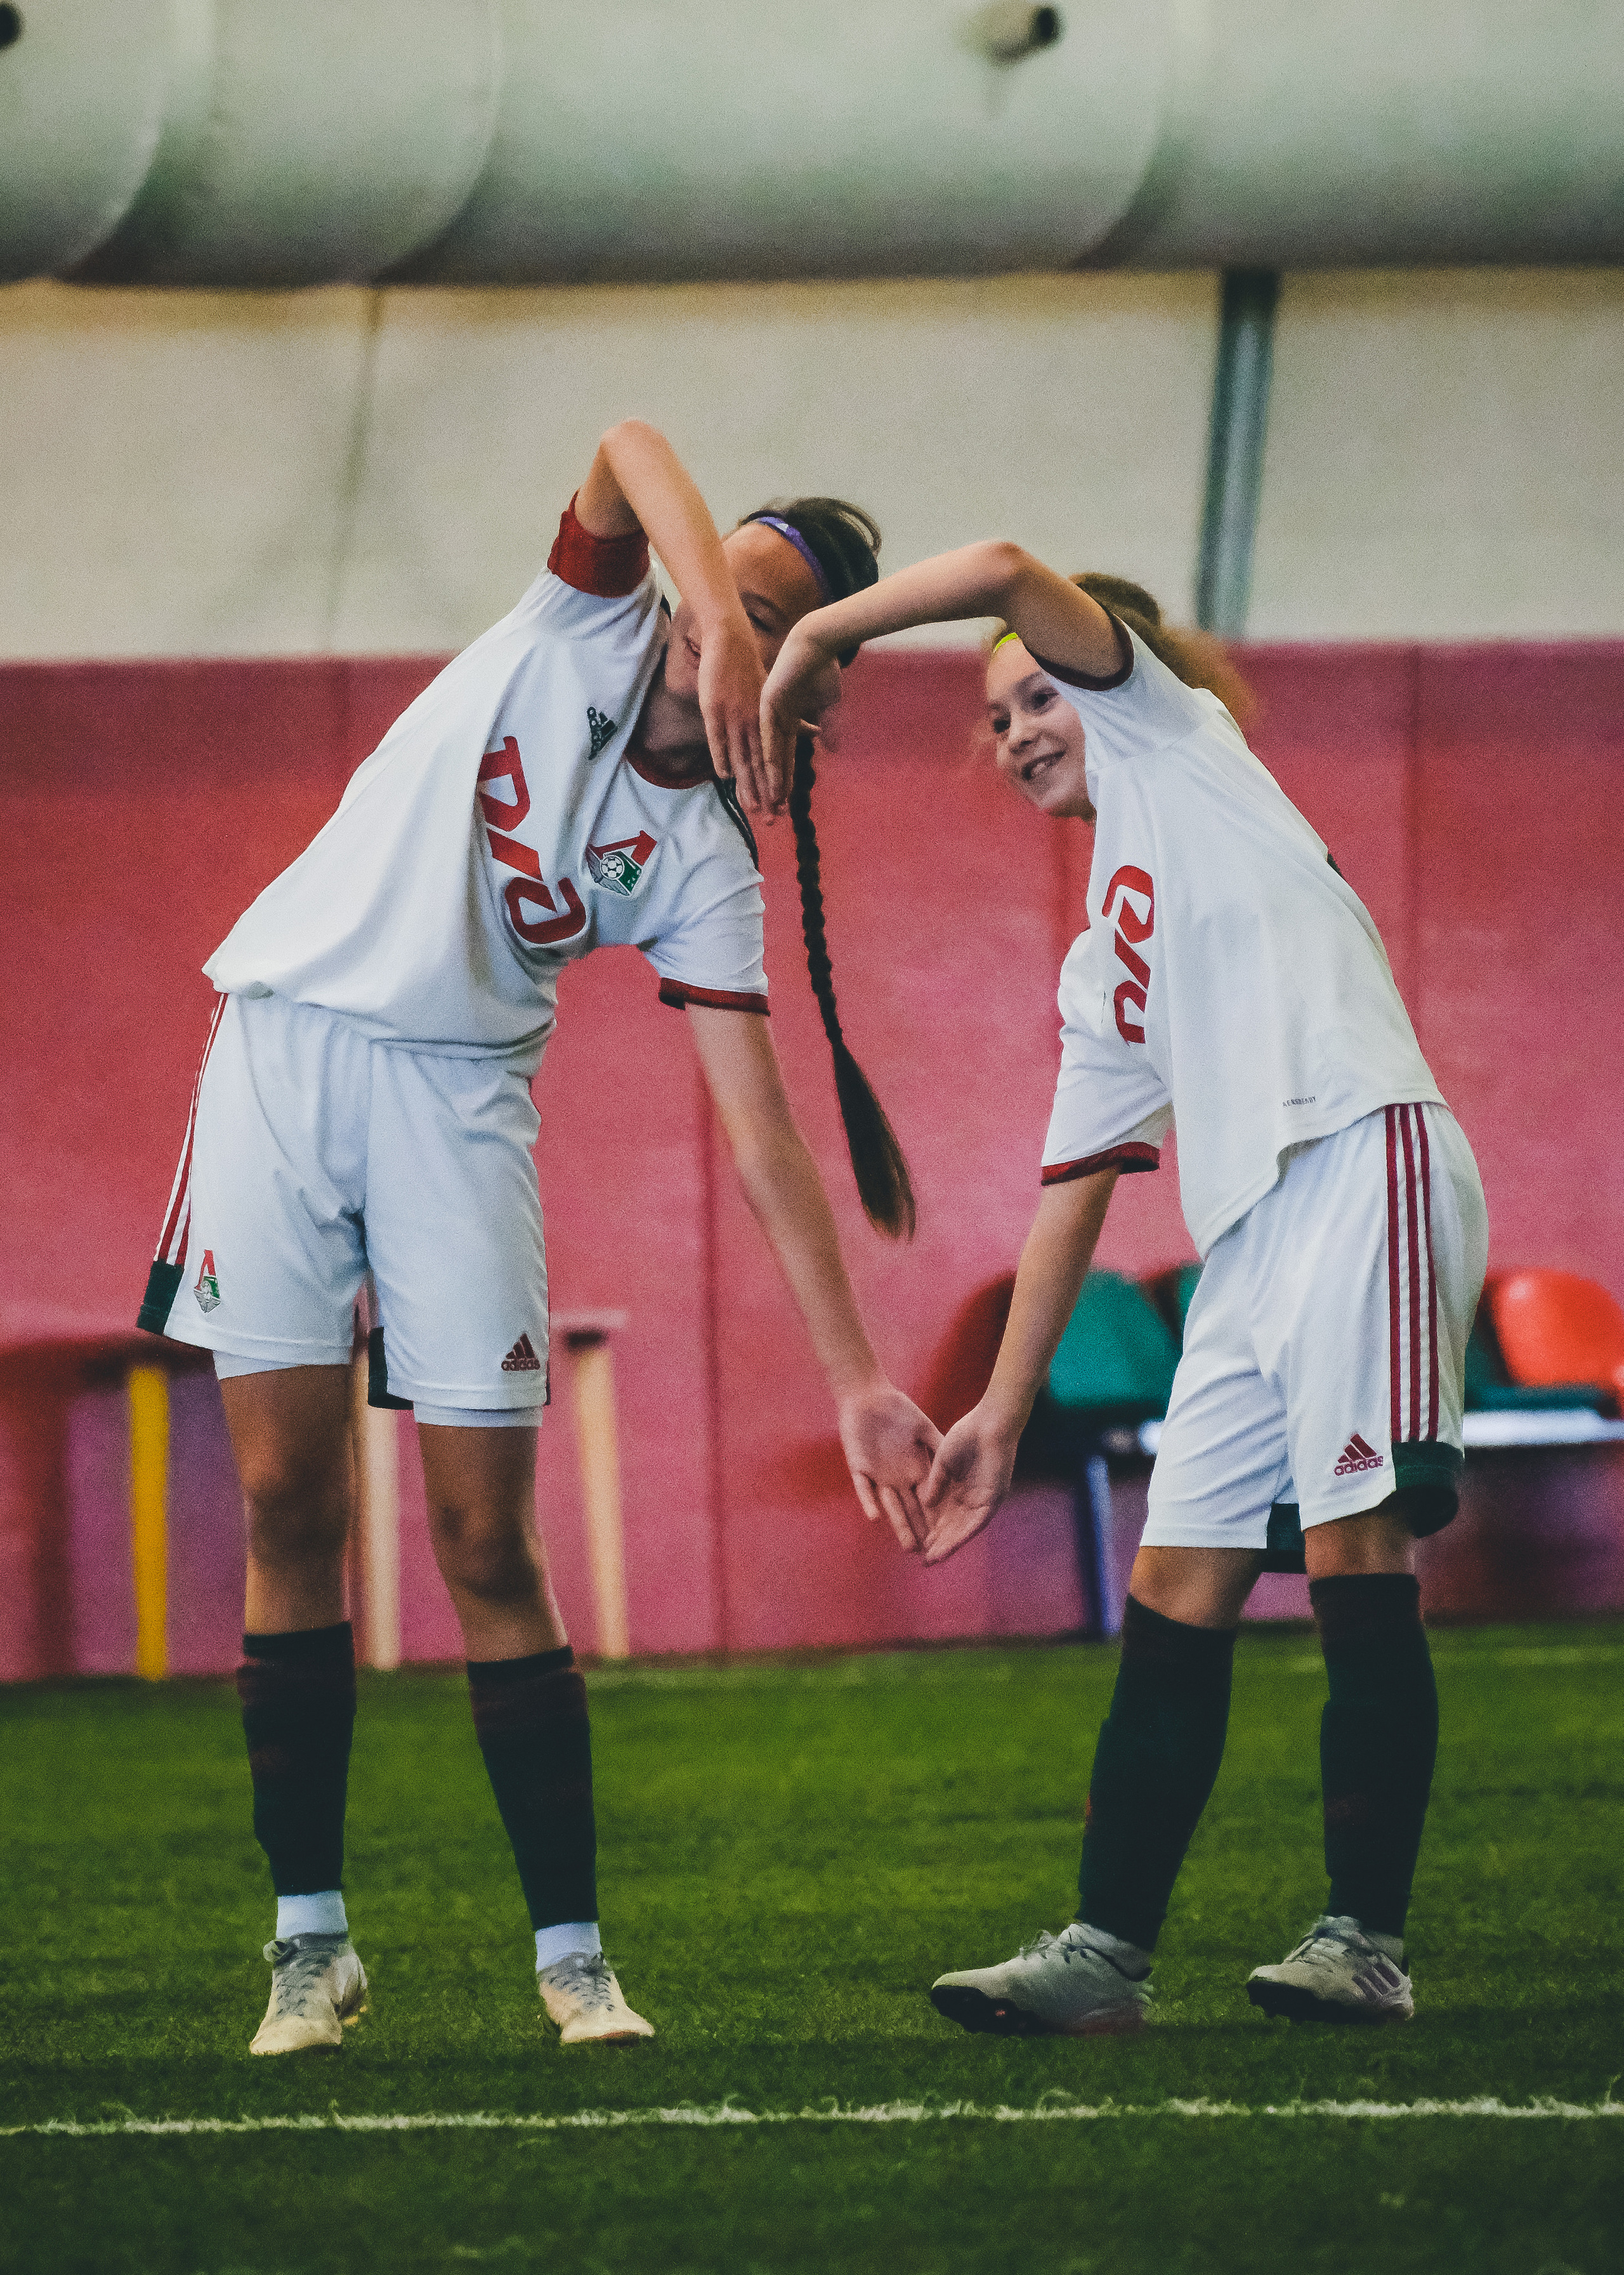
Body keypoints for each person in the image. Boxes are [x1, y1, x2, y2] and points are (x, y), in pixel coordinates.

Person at [137, 421, 938, 2055]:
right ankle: (310, 1948)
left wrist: (855, 1371)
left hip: (458, 1110)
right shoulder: (576, 619)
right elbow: (625, 441)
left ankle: (574, 1962)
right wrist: (712, 593)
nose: (715, 621)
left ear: (806, 682)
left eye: (772, 622)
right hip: (279, 1052)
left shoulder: (705, 857)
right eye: (719, 593)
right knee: (287, 1504)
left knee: (486, 1542)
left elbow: (761, 1125)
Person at [763, 548, 1487, 2033]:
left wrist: (822, 632)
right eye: (996, 714)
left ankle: (1363, 1940)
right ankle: (1104, 1953)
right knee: (1174, 1579)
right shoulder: (1108, 949)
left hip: (1359, 1156)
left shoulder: (1174, 739)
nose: (1019, 725)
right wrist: (999, 1410)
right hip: (1245, 1242)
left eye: (1036, 693)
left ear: (1109, 674)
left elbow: (1009, 565)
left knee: (1353, 1549)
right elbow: (1071, 1190)